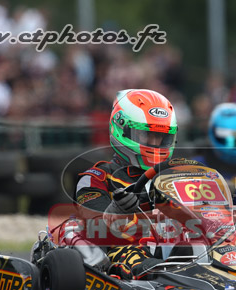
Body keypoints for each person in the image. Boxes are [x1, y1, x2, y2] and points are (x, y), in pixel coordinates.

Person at [73, 88, 178, 279]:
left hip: (172, 246)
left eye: (160, 137)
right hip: (123, 249)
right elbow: (94, 227)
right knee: (137, 259)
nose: (155, 143)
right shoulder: (97, 177)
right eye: (146, 135)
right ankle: (166, 276)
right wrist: (116, 210)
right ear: (122, 130)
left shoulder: (176, 178)